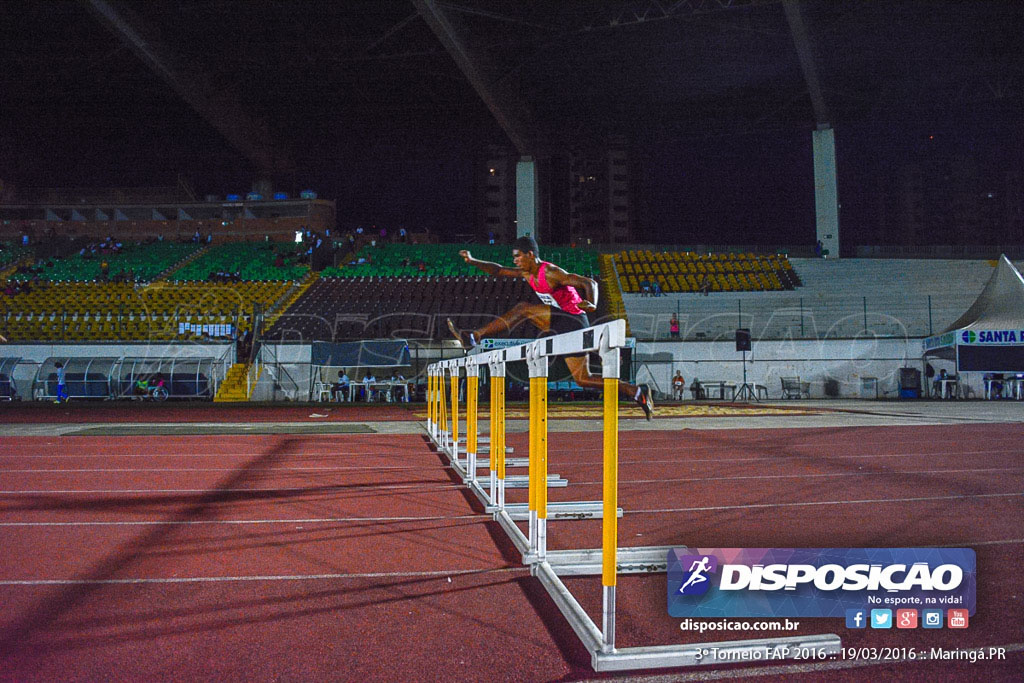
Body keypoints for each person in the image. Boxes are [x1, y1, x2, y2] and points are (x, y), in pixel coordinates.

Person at [446, 237, 653, 419]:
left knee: (523, 309)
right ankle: (635, 391)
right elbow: (498, 270)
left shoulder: (551, 272)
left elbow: (590, 283)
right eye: (514, 257)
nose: (515, 261)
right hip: (565, 324)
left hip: (573, 319)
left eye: (518, 257)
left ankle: (474, 336)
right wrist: (473, 261)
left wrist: (592, 303)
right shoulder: (527, 273)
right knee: (583, 379)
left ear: (530, 255)